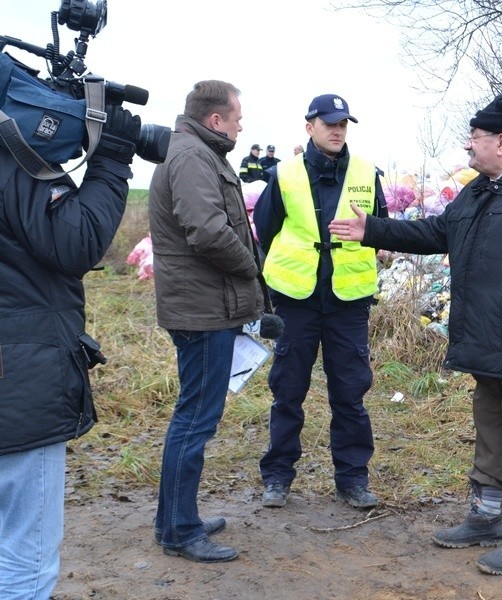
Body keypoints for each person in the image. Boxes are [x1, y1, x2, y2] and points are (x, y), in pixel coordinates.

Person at [329, 93, 502, 575]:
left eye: (476, 137)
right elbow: (434, 234)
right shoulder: (477, 190)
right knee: (490, 428)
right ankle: (486, 517)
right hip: (483, 338)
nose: (468, 145)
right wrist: (372, 230)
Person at [0, 104, 141, 598]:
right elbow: (76, 242)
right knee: (25, 556)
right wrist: (113, 158)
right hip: (18, 385)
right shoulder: (14, 156)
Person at [253, 93, 388, 510]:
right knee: (288, 391)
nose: (337, 130)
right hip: (297, 300)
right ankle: (277, 477)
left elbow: (381, 228)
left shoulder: (367, 172)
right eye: (329, 123)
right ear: (309, 126)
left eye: (343, 124)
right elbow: (265, 230)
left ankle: (352, 480)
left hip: (348, 300)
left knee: (350, 394)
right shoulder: (285, 173)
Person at [149, 80, 263, 564]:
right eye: (237, 118)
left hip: (206, 305)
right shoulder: (193, 156)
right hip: (202, 310)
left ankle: (176, 518)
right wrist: (252, 266)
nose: (242, 125)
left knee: (195, 416)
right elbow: (209, 231)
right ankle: (179, 529)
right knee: (195, 419)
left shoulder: (198, 152)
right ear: (215, 119)